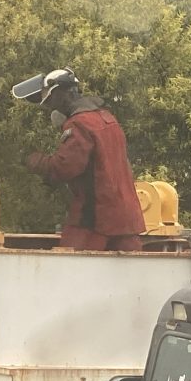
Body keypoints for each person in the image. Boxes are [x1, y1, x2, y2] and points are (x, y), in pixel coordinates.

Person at [24, 68, 146, 251]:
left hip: (96, 218)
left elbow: (64, 167)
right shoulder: (107, 119)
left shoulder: (80, 123)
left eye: (49, 100)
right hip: (126, 218)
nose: (49, 107)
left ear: (61, 94)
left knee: (69, 271)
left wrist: (34, 160)